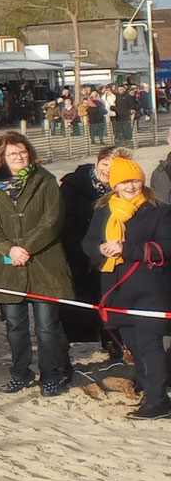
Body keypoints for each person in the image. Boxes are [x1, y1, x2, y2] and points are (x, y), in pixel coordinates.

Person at [0, 132, 73, 396]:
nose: (19, 157)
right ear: (3, 157)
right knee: (15, 327)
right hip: (9, 268)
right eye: (12, 154)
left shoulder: (45, 181)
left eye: (22, 152)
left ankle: (51, 374)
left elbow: (52, 220)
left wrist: (27, 247)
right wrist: (9, 249)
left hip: (44, 263)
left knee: (46, 327)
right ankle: (20, 373)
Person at [88, 154, 171, 419]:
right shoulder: (104, 210)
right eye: (124, 182)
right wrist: (100, 248)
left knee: (151, 345)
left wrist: (127, 249)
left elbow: (166, 248)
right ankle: (149, 390)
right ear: (114, 184)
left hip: (150, 288)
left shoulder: (159, 209)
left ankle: (158, 401)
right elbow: (87, 243)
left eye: (134, 180)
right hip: (117, 288)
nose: (130, 186)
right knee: (133, 346)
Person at [60, 146, 119, 351]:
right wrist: (88, 250)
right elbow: (65, 223)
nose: (108, 171)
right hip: (78, 251)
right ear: (97, 161)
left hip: (110, 253)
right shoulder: (72, 186)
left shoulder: (122, 188)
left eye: (114, 167)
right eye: (105, 164)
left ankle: (113, 342)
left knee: (110, 299)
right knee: (81, 302)